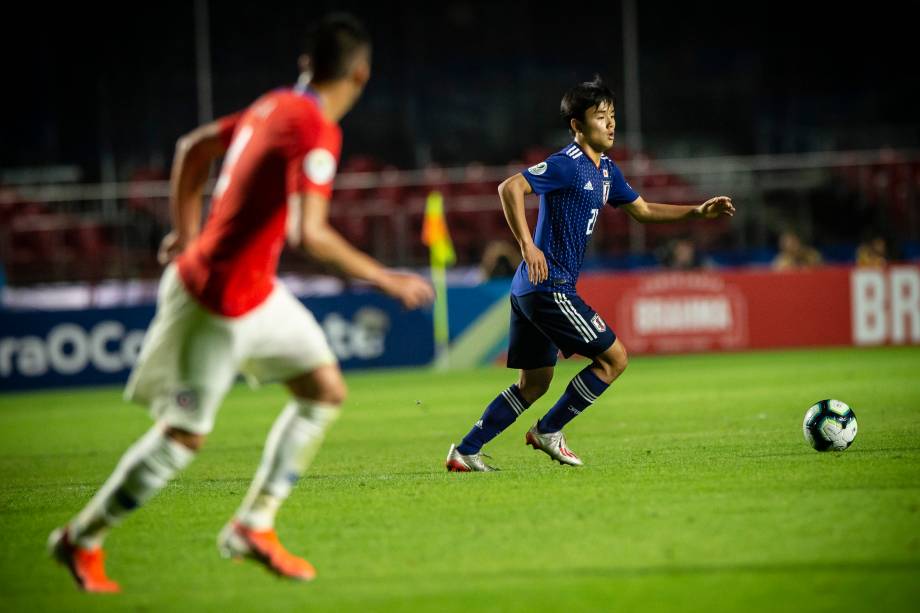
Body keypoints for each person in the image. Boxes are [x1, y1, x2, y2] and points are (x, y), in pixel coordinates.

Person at [48, 13, 433, 592]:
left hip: (256, 293)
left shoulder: (272, 104)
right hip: (216, 302)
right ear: (361, 72)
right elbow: (312, 234)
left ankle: (254, 524)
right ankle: (81, 539)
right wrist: (388, 279)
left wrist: (182, 230)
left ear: (307, 65)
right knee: (184, 436)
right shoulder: (316, 127)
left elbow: (192, 147)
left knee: (324, 390)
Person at [445, 76, 734, 472]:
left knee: (534, 384)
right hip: (549, 287)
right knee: (615, 359)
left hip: (531, 290)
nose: (611, 124)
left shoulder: (607, 171)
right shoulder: (567, 164)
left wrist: (696, 212)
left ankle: (465, 450)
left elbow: (643, 211)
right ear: (577, 126)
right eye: (601, 117)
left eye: (613, 116)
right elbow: (509, 187)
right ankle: (549, 430)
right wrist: (527, 246)